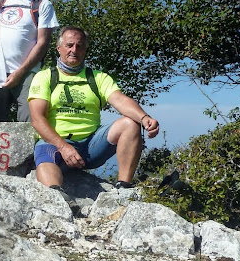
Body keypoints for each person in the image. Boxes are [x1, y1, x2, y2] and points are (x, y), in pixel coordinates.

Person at [28, 26, 160, 190]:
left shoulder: (98, 78)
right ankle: (56, 196)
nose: (74, 50)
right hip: (56, 144)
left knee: (130, 124)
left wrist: (144, 117)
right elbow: (37, 119)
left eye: (80, 46)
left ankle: (123, 188)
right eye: (69, 45)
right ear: (59, 48)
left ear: (85, 50)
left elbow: (120, 100)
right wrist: (63, 147)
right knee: (44, 158)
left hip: (91, 145)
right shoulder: (45, 77)